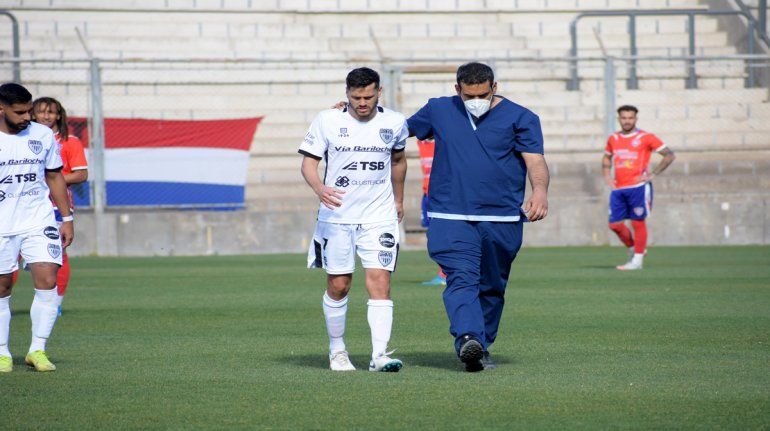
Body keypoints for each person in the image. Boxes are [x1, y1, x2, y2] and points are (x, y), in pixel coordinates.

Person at [407, 62, 549, 372]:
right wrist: (351, 115)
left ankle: (480, 346)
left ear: (494, 87)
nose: (476, 100)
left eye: (483, 94)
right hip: (449, 214)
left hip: (502, 217)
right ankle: (468, 337)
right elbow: (396, 130)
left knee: (492, 285)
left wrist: (539, 192)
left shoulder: (522, 117)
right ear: (457, 89)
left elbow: (535, 160)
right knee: (461, 278)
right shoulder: (438, 109)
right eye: (469, 94)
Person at [299, 67, 409, 372]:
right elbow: (309, 162)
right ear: (346, 94)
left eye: (368, 96)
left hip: (379, 216)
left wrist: (399, 199)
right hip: (337, 216)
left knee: (381, 282)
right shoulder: (328, 119)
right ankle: (337, 351)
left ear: (379, 92)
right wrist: (319, 188)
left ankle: (379, 356)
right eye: (356, 97)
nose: (362, 102)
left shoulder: (395, 122)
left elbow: (399, 162)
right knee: (339, 285)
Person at [0, 83, 74, 373]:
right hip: (3, 224)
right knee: (3, 286)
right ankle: (3, 352)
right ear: (1, 109)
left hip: (38, 219)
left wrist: (66, 220)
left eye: (29, 110)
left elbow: (54, 176)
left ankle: (37, 349)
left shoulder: (41, 135)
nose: (26, 117)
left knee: (47, 278)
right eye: (19, 112)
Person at [32, 97, 88, 314]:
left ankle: (55, 303)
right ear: (32, 114)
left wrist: (51, 178)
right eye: (41, 112)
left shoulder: (69, 141)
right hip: (22, 206)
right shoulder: (22, 139)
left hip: (56, 206)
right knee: (10, 256)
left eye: (51, 112)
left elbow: (81, 173)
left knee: (56, 255)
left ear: (59, 115)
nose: (46, 116)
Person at [603, 105, 675, 270]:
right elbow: (606, 158)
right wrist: (607, 175)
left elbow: (669, 155)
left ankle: (637, 261)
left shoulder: (646, 137)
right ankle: (636, 248)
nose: (627, 121)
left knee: (637, 222)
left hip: (638, 187)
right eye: (624, 118)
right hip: (618, 188)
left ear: (635, 119)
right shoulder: (613, 139)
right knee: (614, 225)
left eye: (630, 118)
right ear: (619, 119)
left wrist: (653, 174)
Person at [417, 139, 447, 286]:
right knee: (434, 235)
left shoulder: (443, 141)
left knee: (443, 234)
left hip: (442, 194)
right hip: (427, 194)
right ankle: (444, 273)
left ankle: (445, 274)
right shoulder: (421, 143)